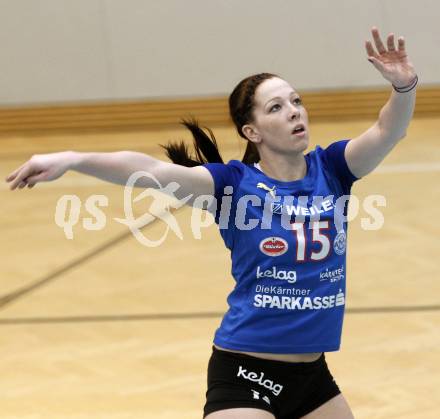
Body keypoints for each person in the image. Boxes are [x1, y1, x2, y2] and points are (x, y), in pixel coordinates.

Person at [6, 27, 417, 418]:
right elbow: (148, 169)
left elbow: (387, 129)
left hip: (313, 377)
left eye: (296, 101)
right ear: (251, 130)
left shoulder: (333, 169)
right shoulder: (233, 186)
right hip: (244, 370)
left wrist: (404, 86)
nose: (294, 112)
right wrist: (72, 159)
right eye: (276, 107)